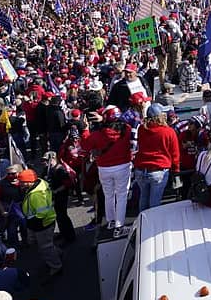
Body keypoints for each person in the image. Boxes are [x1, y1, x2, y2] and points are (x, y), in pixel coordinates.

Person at [81, 105, 133, 233]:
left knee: (108, 195)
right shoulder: (126, 129)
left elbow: (85, 145)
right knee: (121, 196)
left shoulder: (97, 135)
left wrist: (85, 130)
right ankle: (119, 227)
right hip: (122, 166)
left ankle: (111, 221)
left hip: (104, 168)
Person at [134, 103, 181, 212]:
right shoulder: (168, 132)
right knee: (154, 202)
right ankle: (151, 227)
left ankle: (143, 223)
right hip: (158, 171)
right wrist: (176, 170)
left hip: (141, 169)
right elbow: (175, 154)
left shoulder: (141, 129)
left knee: (144, 198)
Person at [17, 169, 61, 279]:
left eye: (22, 182)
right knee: (47, 244)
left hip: (42, 224)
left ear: (29, 182)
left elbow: (41, 213)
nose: (20, 184)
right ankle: (57, 253)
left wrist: (32, 223)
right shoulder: (39, 184)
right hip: (43, 222)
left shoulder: (36, 195)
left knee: (45, 247)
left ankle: (56, 266)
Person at [41, 151, 75, 244]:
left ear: (52, 158)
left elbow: (67, 184)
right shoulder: (47, 169)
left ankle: (69, 237)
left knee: (62, 216)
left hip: (61, 197)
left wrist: (56, 191)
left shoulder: (60, 169)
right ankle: (63, 233)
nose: (44, 162)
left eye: (46, 160)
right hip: (53, 197)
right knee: (58, 216)